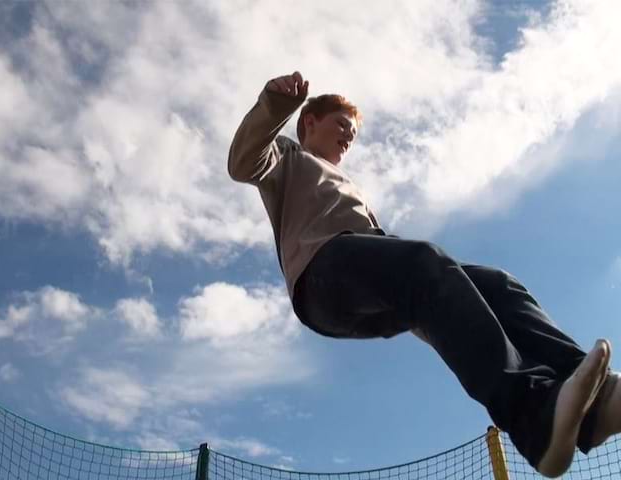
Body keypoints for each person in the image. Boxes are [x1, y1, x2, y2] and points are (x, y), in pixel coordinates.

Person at [227, 71, 620, 477]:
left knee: (496, 285)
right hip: (320, 276)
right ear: (310, 121)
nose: (349, 137)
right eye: (342, 125)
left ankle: (595, 406)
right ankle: (534, 417)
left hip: (366, 282)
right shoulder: (288, 157)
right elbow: (243, 161)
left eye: (354, 133)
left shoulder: (352, 189)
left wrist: (440, 312)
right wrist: (275, 105)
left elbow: (418, 288)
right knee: (424, 261)